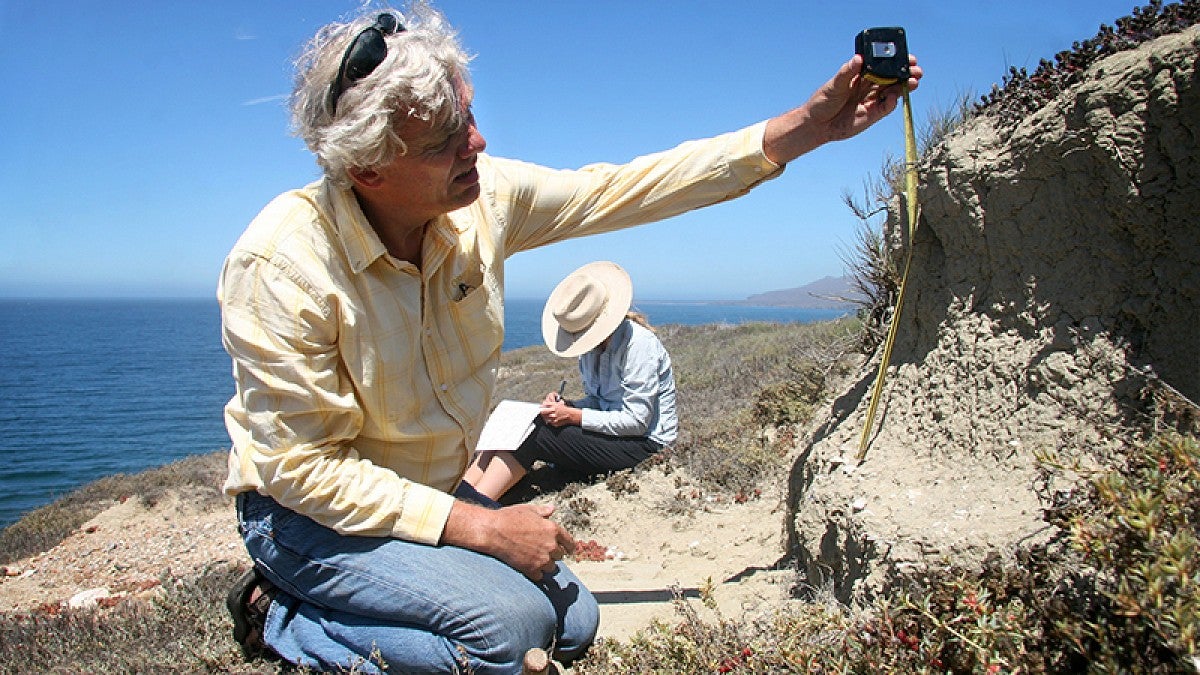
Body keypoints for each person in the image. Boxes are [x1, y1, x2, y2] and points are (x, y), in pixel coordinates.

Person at [217, 2, 922, 673]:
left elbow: (629, 187)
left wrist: (809, 126)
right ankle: (277, 610)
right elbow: (305, 473)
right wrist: (484, 529)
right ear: (369, 169)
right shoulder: (283, 264)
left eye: (468, 115)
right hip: (307, 519)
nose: (479, 144)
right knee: (503, 632)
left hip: (423, 499)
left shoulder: (483, 197)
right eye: (444, 140)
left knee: (573, 622)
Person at [464, 262, 677, 500]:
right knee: (517, 416)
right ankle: (465, 486)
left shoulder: (639, 346)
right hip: (620, 434)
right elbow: (601, 401)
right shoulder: (591, 348)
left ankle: (478, 501)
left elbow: (636, 422)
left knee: (537, 432)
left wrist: (573, 416)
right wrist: (569, 406)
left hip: (645, 445)